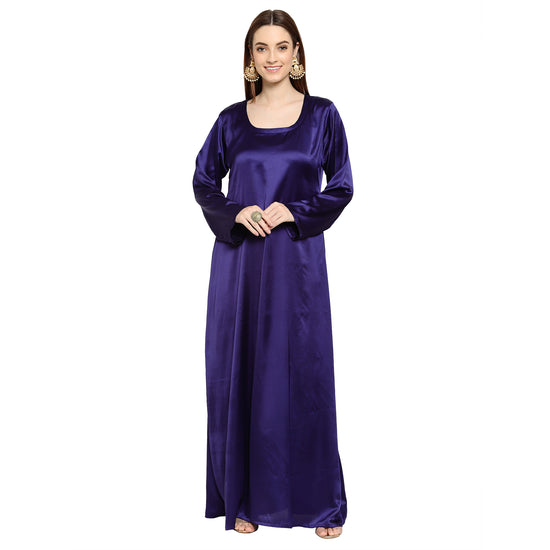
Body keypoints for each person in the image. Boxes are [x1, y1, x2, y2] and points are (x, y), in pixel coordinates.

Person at [192, 9, 353, 540]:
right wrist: (236, 211)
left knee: (302, 377)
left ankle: (320, 504)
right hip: (240, 267)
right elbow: (203, 182)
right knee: (241, 375)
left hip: (297, 268)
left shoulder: (323, 116)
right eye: (261, 48)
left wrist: (295, 211)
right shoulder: (230, 121)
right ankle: (243, 498)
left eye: (282, 46)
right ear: (249, 58)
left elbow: (342, 186)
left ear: (297, 54)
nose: (272, 57)